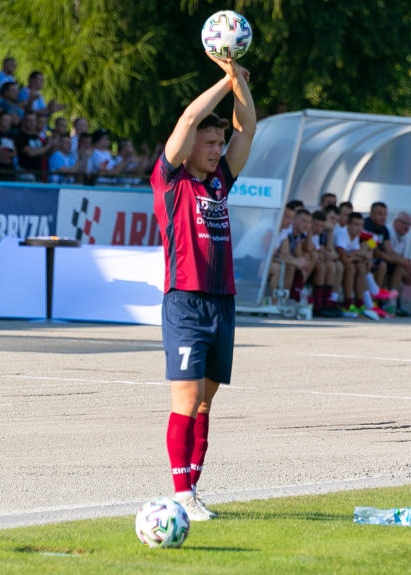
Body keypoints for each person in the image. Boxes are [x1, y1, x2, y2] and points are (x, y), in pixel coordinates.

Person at [150, 53, 255, 521]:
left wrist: (241, 88)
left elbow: (247, 130)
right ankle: (180, 492)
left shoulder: (219, 182)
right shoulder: (170, 180)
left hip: (222, 301)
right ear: (190, 145)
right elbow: (190, 116)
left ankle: (193, 487)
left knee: (207, 402)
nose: (216, 149)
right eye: (209, 143)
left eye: (218, 142)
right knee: (186, 399)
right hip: (185, 301)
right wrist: (226, 77)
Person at [386, 211, 411, 316]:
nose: (407, 227)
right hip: (384, 263)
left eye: (409, 225)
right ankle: (392, 303)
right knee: (399, 269)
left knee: (403, 270)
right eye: (404, 223)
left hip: (395, 264)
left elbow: (405, 258)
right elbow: (389, 254)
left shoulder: (405, 237)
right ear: (396, 221)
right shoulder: (388, 231)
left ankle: (395, 302)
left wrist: (409, 272)